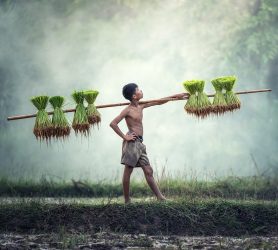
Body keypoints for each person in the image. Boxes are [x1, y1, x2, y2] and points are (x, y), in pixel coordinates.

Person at [109, 83, 186, 204]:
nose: (141, 90)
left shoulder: (141, 106)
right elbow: (113, 123)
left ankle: (160, 198)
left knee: (148, 171)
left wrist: (177, 96)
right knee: (128, 171)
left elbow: (160, 101)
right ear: (134, 96)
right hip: (132, 143)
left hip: (140, 143)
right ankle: (127, 200)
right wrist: (125, 136)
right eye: (138, 89)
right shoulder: (127, 110)